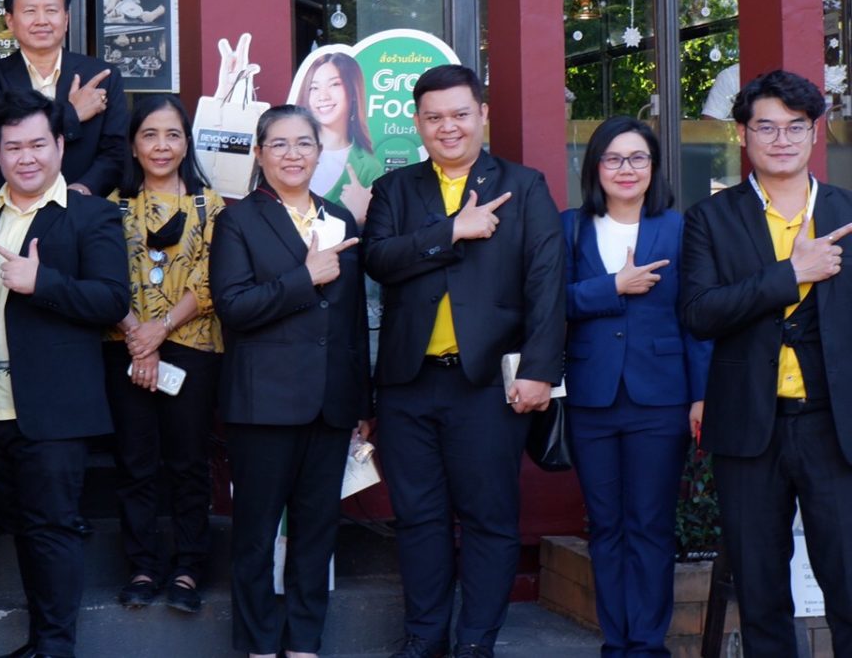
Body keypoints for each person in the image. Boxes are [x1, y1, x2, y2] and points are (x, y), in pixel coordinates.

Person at [362, 64, 565, 658]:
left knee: (489, 518)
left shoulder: (525, 186)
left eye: (459, 114)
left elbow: (547, 283)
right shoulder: (396, 190)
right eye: (434, 117)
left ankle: (475, 642)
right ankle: (425, 637)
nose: (447, 127)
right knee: (417, 517)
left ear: (482, 115)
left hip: (489, 385)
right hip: (408, 383)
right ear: (418, 123)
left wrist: (540, 372)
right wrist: (453, 230)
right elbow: (378, 260)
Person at [680, 70, 852, 655]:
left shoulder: (846, 211)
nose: (782, 140)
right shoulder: (710, 218)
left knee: (848, 581)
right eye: (767, 127)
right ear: (742, 134)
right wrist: (791, 275)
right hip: (748, 428)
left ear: (814, 132)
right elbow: (699, 312)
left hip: (835, 426)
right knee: (760, 592)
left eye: (795, 127)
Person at [0, 89, 129, 658]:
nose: (26, 157)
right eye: (13, 147)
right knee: (22, 527)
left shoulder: (93, 214)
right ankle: (40, 641)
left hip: (55, 407)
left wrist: (44, 284)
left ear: (60, 145)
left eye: (38, 144)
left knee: (53, 528)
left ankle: (55, 648)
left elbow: (112, 300)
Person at [208, 104, 370, 658]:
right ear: (259, 153)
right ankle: (258, 645)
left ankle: (303, 644)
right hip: (263, 404)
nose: (292, 154)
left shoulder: (340, 219)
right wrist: (305, 277)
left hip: (332, 403)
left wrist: (361, 403)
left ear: (319, 153)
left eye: (304, 143)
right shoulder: (237, 221)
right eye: (279, 144)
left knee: (317, 532)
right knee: (255, 535)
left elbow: (352, 321)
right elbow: (233, 307)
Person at [561, 116, 709, 657]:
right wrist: (613, 287)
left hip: (661, 397)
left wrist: (701, 394)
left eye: (638, 158)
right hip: (591, 397)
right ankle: (616, 642)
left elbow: (696, 317)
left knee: (650, 524)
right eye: (614, 158)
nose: (626, 169)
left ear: (653, 167)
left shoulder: (679, 228)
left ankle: (646, 646)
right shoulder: (570, 227)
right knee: (605, 526)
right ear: (595, 167)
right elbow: (549, 303)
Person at [103, 94, 225, 614]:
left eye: (173, 135)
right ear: (133, 144)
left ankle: (189, 567)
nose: (161, 146)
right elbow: (104, 278)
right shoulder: (111, 206)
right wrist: (139, 336)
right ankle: (142, 566)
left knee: (188, 460)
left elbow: (211, 279)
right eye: (149, 134)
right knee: (135, 460)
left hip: (192, 345)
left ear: (187, 143)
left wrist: (160, 330)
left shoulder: (209, 205)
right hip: (124, 343)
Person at [0, 0, 129, 199]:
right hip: (13, 206)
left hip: (83, 205)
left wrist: (81, 192)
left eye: (51, 10)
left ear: (66, 19)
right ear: (10, 21)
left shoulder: (102, 76)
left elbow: (116, 152)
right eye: (30, 11)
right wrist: (72, 113)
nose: (42, 20)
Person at [294, 49, 384, 223]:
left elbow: (380, 234)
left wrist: (362, 218)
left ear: (353, 92)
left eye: (334, 84)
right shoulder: (285, 152)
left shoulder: (369, 168)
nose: (323, 96)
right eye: (314, 88)